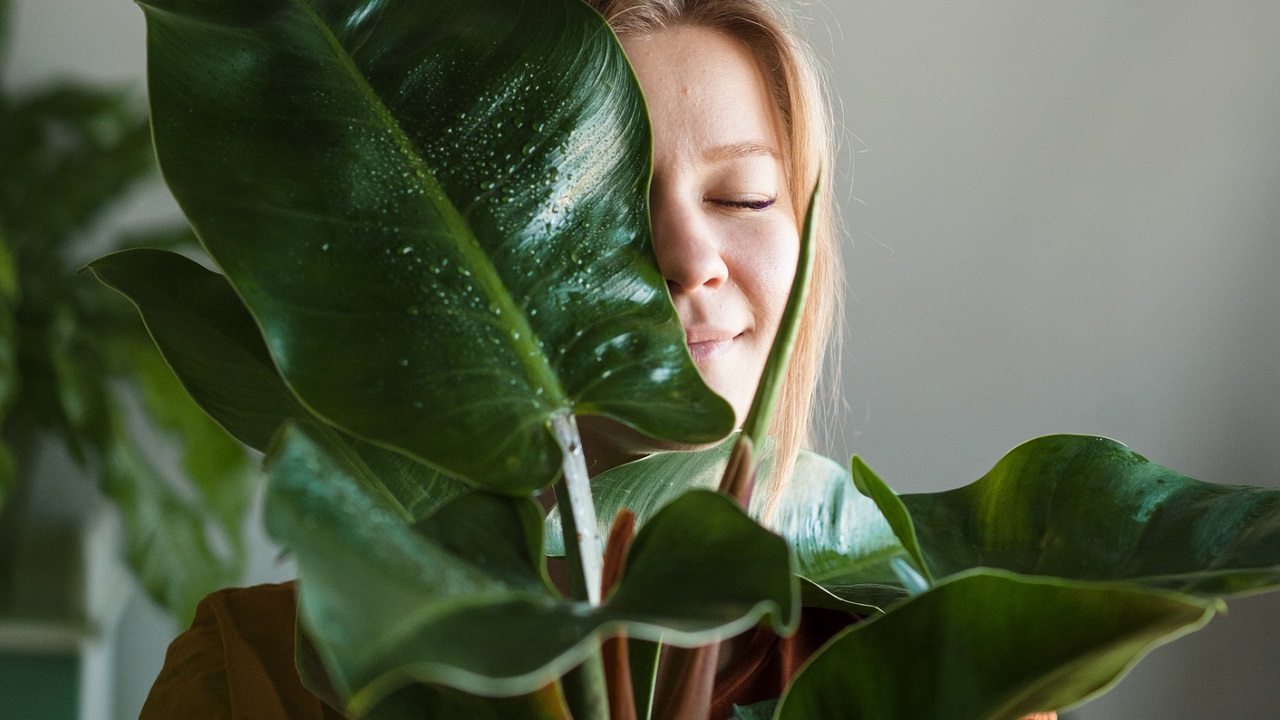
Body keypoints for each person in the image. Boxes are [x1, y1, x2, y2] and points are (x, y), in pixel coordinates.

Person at [142, 1, 1056, 719]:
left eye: (742, 197)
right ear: (477, 258)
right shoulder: (254, 677)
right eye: (608, 207)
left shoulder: (947, 666)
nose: (690, 256)